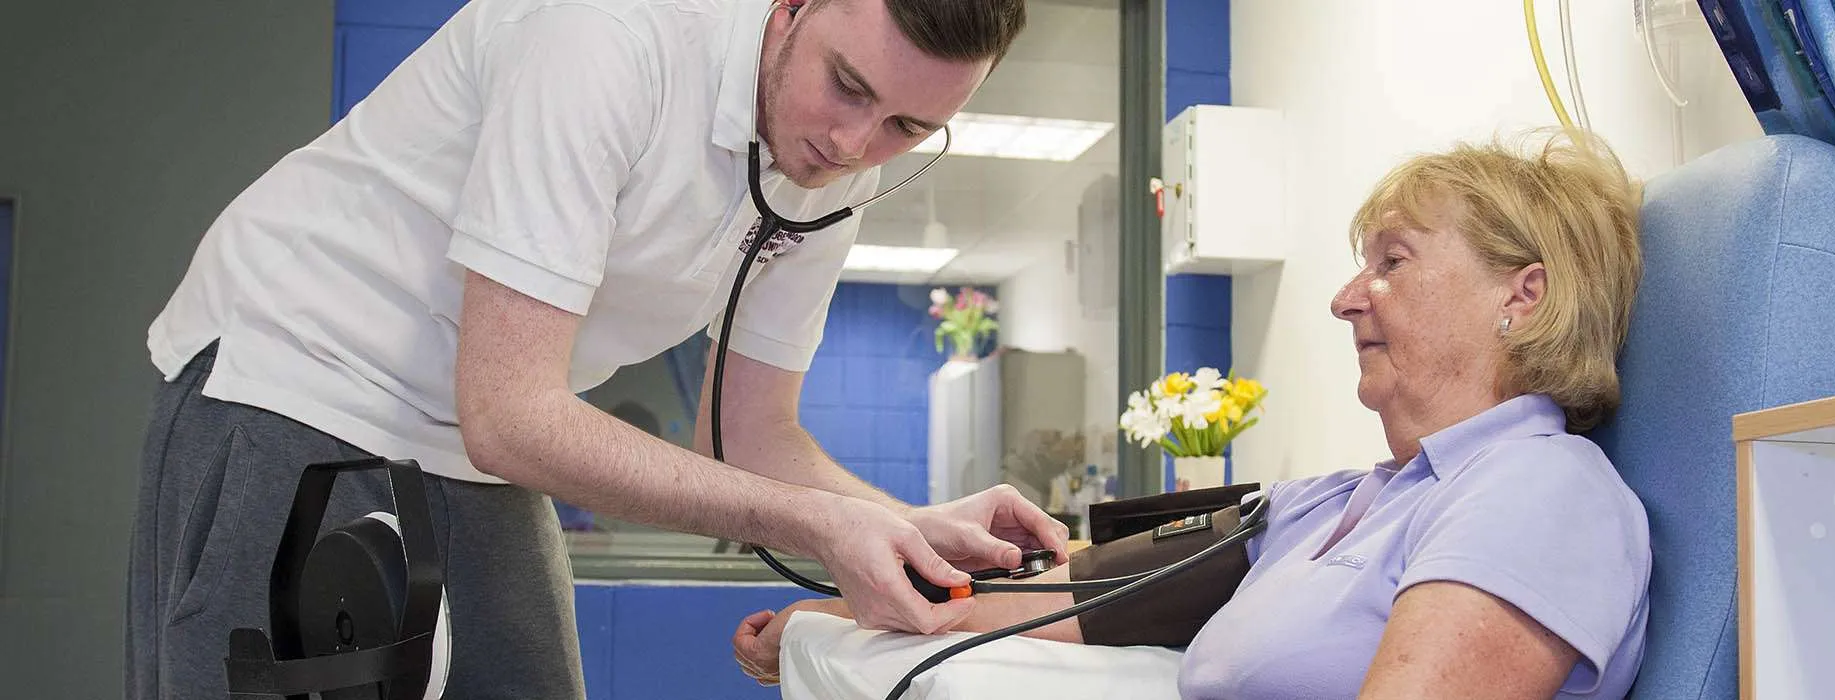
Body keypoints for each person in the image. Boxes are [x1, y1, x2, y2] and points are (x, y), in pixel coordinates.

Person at [126, 0, 1066, 698]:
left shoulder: (834, 179)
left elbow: (748, 437)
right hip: (301, 375)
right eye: (847, 85)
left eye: (908, 127)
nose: (853, 145)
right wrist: (823, 528)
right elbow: (513, 416)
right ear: (790, 9)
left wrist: (910, 526)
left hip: (477, 438)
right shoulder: (609, 35)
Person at [733, 128, 1652, 699]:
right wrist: (848, 618)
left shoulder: (1539, 489)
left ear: (1523, 295)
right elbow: (1087, 595)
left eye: (1393, 262)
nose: (1345, 298)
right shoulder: (1334, 502)